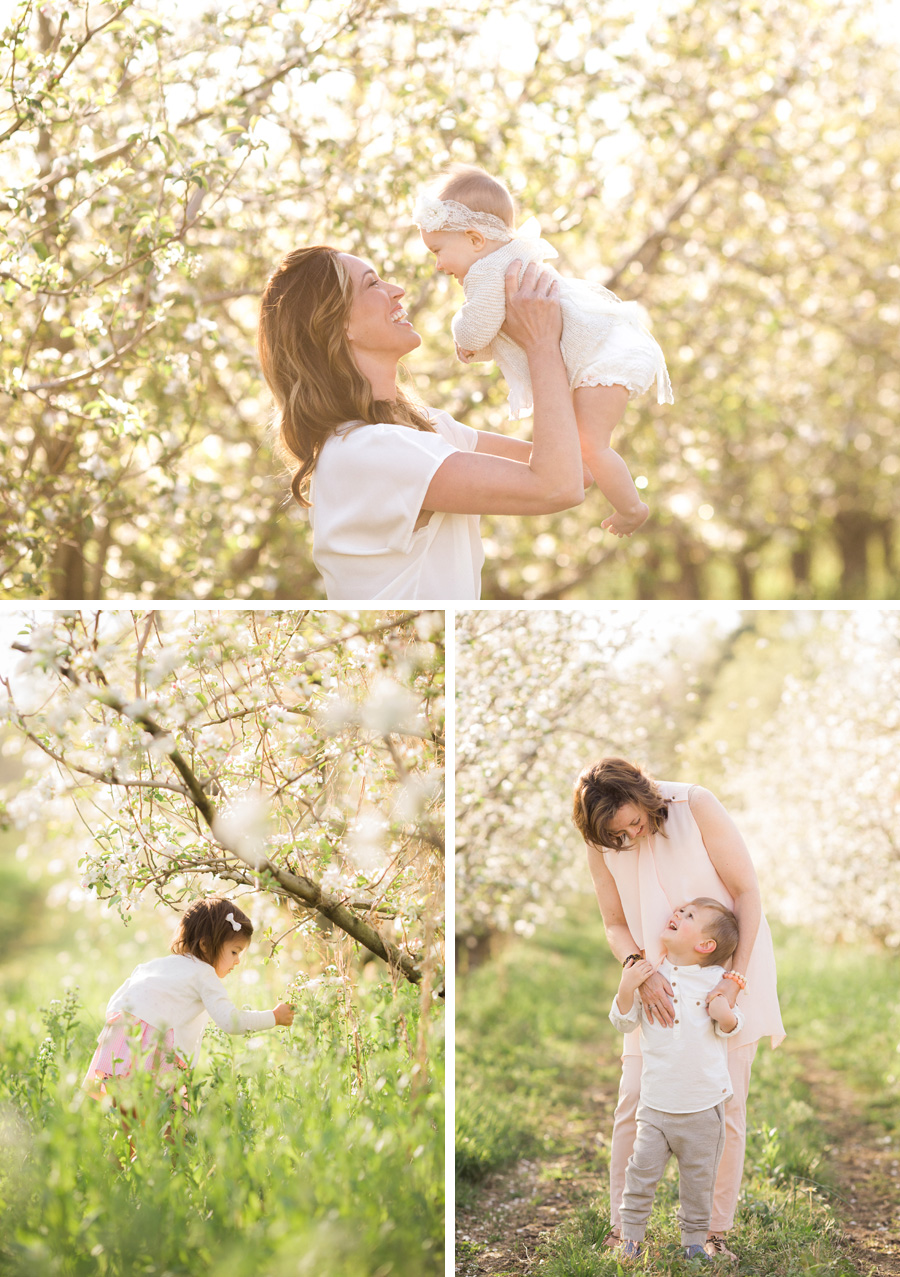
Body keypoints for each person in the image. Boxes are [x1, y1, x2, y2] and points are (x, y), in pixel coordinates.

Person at [257, 246, 587, 600]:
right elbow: (558, 486)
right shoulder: (365, 451)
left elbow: (578, 469)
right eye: (372, 284)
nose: (396, 290)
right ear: (337, 323)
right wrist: (540, 343)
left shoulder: (423, 428)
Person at [571, 757, 784, 1262]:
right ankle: (623, 1229)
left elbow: (747, 893)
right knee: (634, 1099)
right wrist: (638, 970)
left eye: (633, 822)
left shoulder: (695, 804)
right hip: (654, 987)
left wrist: (734, 980)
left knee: (726, 1106)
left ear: (643, 794)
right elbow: (614, 922)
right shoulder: (600, 842)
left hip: (727, 978)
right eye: (617, 835)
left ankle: (712, 1232)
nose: (630, 836)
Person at [413, 165, 673, 539]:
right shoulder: (509, 258)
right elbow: (508, 333)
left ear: (474, 239)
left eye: (438, 251)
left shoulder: (486, 273)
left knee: (590, 443)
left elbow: (476, 329)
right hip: (607, 349)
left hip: (604, 357)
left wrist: (463, 339)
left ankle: (632, 509)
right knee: (584, 443)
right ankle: (602, 484)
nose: (438, 265)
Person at [610, 899, 744, 1262]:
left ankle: (695, 1243)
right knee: (640, 1174)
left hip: (703, 1107)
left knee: (698, 1182)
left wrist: (725, 1015)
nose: (677, 914)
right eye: (680, 911)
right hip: (655, 1105)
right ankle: (630, 1239)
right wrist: (627, 988)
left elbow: (734, 1025)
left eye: (689, 916)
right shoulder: (650, 976)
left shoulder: (716, 982)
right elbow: (624, 1023)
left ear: (705, 945)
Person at [83, 896, 295, 1103]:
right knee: (161, 1116)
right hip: (153, 1049)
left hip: (120, 1041)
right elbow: (231, 1021)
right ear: (205, 945)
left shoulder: (156, 965)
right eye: (234, 952)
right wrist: (273, 1017)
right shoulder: (204, 973)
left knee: (129, 1113)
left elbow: (118, 1001)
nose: (238, 961)